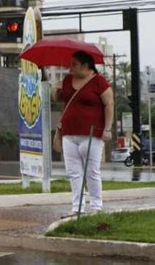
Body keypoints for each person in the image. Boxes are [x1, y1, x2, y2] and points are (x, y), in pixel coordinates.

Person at [53, 51, 114, 216]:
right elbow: (58, 100)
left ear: (86, 65)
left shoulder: (99, 82)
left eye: (75, 64)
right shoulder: (67, 81)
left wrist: (107, 129)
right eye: (70, 64)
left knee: (92, 171)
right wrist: (56, 90)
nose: (70, 67)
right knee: (74, 172)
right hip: (69, 133)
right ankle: (77, 207)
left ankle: (96, 206)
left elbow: (109, 105)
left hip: (92, 133)